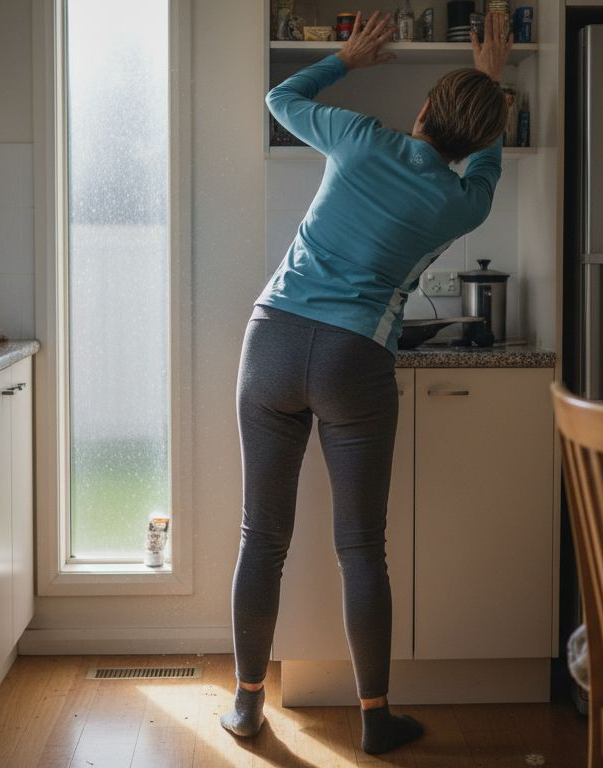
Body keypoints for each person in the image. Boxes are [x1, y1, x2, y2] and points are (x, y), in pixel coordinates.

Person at [222, 10, 513, 756]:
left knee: (263, 534)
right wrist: (495, 82)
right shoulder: (464, 200)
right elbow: (484, 160)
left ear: (419, 112)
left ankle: (249, 704)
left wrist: (346, 59)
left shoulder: (361, 139)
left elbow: (281, 100)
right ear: (479, 137)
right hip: (358, 360)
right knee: (361, 547)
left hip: (274, 343)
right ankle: (375, 717)